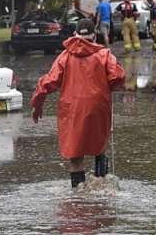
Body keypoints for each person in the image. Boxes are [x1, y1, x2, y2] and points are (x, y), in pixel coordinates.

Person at [30, 19, 126, 188]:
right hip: (98, 106)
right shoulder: (104, 55)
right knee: (99, 146)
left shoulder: (65, 57)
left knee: (75, 155)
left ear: (75, 35)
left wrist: (37, 105)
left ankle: (77, 198)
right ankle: (101, 189)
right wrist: (111, 84)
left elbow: (47, 83)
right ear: (95, 34)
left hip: (72, 109)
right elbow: (118, 77)